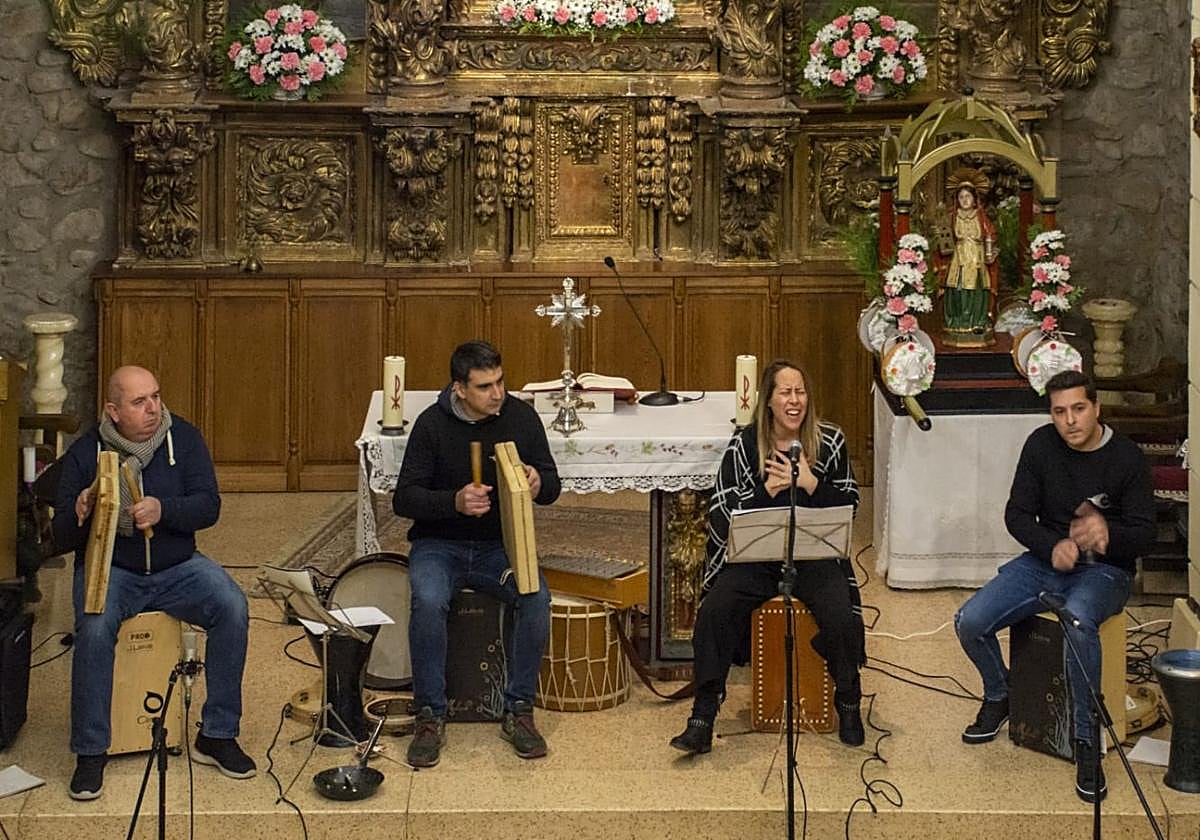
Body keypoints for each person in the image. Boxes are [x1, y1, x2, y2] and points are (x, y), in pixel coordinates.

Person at [52, 366, 254, 801]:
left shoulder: (183, 437)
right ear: (113, 410)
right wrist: (80, 512)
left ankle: (217, 733)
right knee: (94, 625)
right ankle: (91, 751)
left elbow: (208, 506)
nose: (153, 408)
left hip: (177, 565)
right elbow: (59, 537)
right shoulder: (88, 450)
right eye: (139, 402)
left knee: (232, 607)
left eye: (156, 397)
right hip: (114, 568)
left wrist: (165, 511)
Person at [955, 370, 1154, 803]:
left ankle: (1086, 742)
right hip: (1046, 562)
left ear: (1097, 408)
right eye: (1059, 412)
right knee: (970, 620)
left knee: (1079, 621)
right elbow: (1017, 515)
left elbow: (1146, 535)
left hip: (1107, 571)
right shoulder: (1040, 445)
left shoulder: (1127, 458)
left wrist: (1108, 534)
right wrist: (1053, 546)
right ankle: (1000, 694)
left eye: (1079, 409)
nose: (1070, 421)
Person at [670, 359, 866, 754]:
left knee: (840, 613)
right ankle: (703, 714)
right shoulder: (744, 444)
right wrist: (769, 495)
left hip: (814, 556)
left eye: (801, 392)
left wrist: (810, 483)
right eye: (785, 392)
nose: (794, 401)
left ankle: (847, 700)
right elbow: (721, 514)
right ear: (769, 401)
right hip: (757, 558)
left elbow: (850, 507)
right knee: (716, 611)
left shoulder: (830, 440)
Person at [394, 340, 560, 768]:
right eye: (485, 386)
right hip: (439, 544)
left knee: (536, 597)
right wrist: (454, 502)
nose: (498, 394)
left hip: (498, 546)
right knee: (428, 600)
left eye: (500, 382)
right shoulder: (432, 425)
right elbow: (404, 498)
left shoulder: (521, 418)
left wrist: (539, 482)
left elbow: (552, 485)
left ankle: (519, 708)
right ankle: (430, 713)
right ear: (459, 389)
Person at [937, 169, 999, 346]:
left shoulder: (981, 217)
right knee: (956, 289)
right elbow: (943, 238)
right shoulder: (951, 217)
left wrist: (990, 251)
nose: (964, 200)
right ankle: (957, 323)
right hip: (959, 258)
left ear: (974, 199)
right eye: (961, 197)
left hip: (978, 258)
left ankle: (977, 322)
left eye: (968, 197)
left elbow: (991, 236)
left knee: (978, 290)